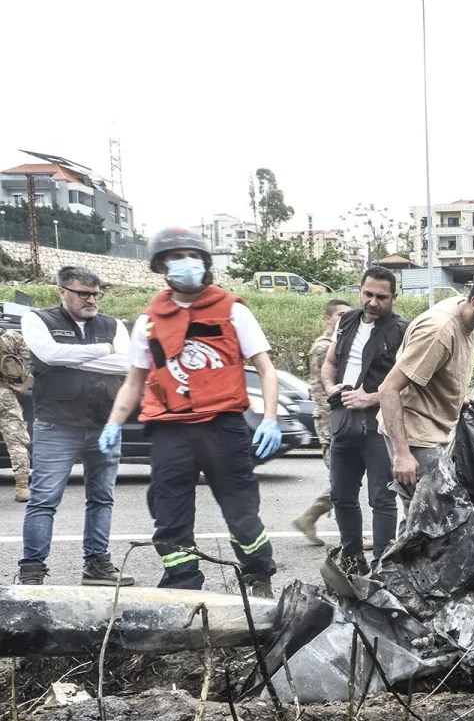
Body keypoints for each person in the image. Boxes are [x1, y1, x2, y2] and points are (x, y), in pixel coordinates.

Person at [100, 227, 283, 597]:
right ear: (161, 266)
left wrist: (270, 419)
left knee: (242, 515)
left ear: (205, 263)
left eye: (193, 255)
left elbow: (265, 368)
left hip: (223, 426)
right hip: (171, 430)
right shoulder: (149, 320)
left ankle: (257, 576)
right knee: (170, 518)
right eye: (176, 257)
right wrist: (113, 423)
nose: (186, 263)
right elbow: (135, 380)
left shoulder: (232, 310)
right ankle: (184, 591)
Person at [16, 266, 133, 586]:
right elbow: (49, 355)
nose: (92, 299)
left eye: (96, 293)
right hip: (57, 425)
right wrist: (103, 351)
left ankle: (96, 565)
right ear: (62, 291)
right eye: (84, 293)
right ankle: (32, 570)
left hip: (103, 424)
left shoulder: (113, 325)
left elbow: (127, 363)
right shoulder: (38, 319)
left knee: (102, 498)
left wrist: (71, 358)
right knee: (44, 500)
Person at [379, 270, 474, 492]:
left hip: (436, 428)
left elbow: (440, 367)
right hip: (416, 435)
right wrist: (402, 454)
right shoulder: (439, 332)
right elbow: (388, 389)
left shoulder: (467, 315)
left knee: (417, 516)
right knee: (435, 517)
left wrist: (456, 395)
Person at [322, 268, 407, 574]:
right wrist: (331, 387)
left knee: (382, 499)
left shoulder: (401, 331)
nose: (373, 302)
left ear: (394, 297)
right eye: (368, 294)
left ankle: (382, 569)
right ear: (359, 290)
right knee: (341, 495)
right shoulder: (346, 322)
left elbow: (408, 381)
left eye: (381, 297)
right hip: (343, 422)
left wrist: (370, 398)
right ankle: (352, 559)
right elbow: (330, 363)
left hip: (378, 426)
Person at [290, 298, 351, 545]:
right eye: (340, 315)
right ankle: (312, 518)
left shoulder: (339, 343)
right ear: (328, 318)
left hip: (340, 419)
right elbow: (322, 391)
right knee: (342, 480)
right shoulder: (322, 348)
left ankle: (318, 521)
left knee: (345, 479)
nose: (344, 320)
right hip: (330, 421)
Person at [0, 325, 31, 503]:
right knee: (16, 441)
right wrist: (24, 386)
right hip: (5, 394)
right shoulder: (12, 337)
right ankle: (22, 487)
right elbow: (30, 361)